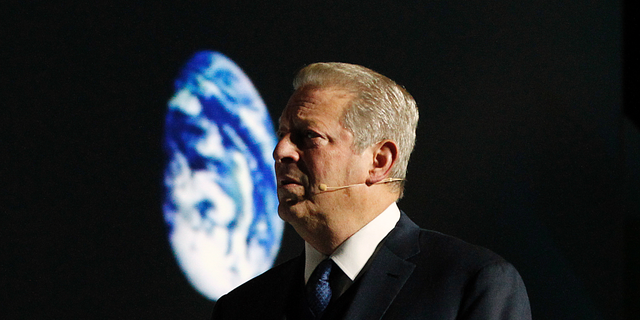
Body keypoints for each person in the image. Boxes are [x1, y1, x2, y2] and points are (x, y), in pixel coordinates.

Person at [211, 62, 532, 319]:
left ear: (379, 161)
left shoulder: (470, 285)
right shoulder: (241, 308)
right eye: (281, 134)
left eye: (308, 136)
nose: (280, 151)